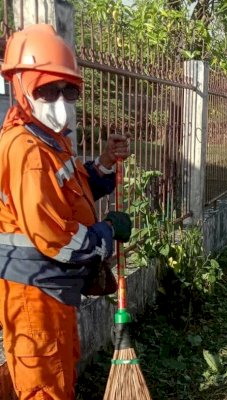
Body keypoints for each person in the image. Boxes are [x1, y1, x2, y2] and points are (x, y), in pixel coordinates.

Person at [0, 24, 132, 399]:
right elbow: (58, 238)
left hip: (53, 292)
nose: (61, 101)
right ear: (21, 87)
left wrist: (104, 165)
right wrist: (107, 233)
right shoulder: (27, 152)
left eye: (69, 90)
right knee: (45, 389)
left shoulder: (48, 139)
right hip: (34, 297)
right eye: (48, 90)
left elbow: (71, 191)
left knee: (61, 379)